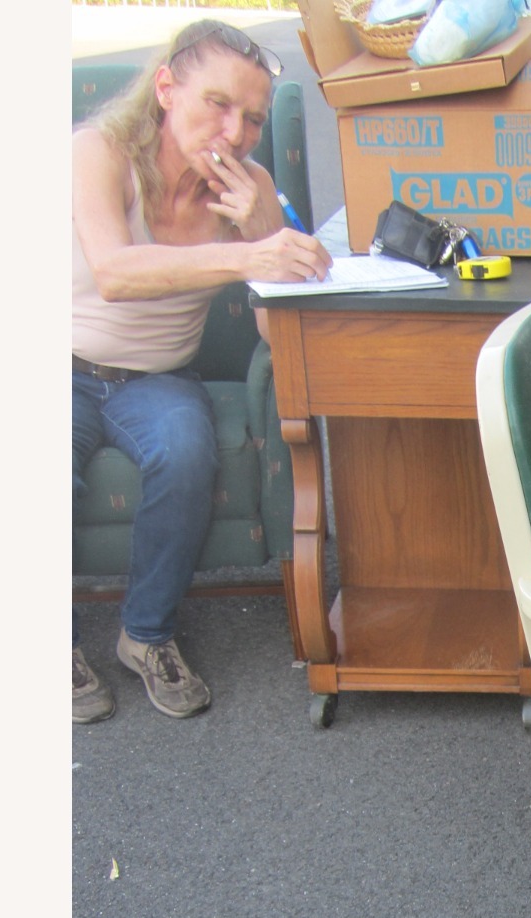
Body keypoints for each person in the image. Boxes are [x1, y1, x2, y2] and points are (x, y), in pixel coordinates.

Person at [72, 20, 332, 722]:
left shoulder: (250, 188)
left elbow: (281, 326)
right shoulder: (98, 151)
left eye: (251, 117)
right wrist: (250, 255)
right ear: (165, 89)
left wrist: (258, 231)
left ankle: (145, 635)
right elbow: (115, 272)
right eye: (217, 104)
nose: (237, 131)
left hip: (157, 377)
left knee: (189, 452)